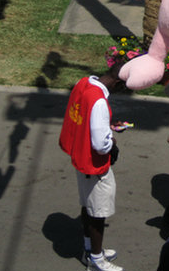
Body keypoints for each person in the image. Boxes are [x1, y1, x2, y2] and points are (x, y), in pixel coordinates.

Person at [59, 66, 125, 271]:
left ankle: (90, 250)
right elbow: (100, 144)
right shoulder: (99, 102)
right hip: (93, 164)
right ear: (117, 82)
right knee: (98, 211)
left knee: (88, 204)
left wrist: (106, 126)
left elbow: (87, 119)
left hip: (79, 155)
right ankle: (97, 260)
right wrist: (112, 142)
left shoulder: (84, 83)